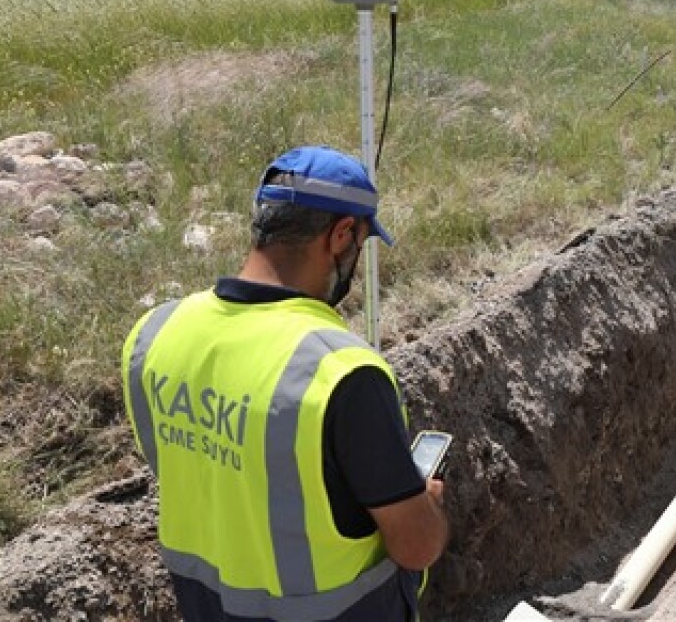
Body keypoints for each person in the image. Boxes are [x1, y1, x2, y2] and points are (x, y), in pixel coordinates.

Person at [121, 145, 448, 621]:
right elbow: (416, 547)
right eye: (359, 242)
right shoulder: (341, 373)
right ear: (341, 235)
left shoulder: (154, 334)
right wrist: (431, 506)